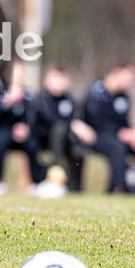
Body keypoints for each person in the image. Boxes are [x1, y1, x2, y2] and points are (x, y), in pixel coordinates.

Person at [83, 60, 135, 194]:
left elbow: (124, 123)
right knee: (116, 147)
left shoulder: (124, 96)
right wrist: (124, 134)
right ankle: (119, 187)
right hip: (96, 136)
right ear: (116, 73)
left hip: (119, 135)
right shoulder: (96, 91)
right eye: (130, 77)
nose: (133, 81)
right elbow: (98, 123)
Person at [29, 64, 96, 192]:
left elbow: (78, 119)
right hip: (42, 139)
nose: (59, 83)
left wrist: (81, 126)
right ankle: (55, 174)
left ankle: (75, 187)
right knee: (58, 129)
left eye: (62, 79)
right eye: (55, 79)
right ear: (46, 80)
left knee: (78, 151)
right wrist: (73, 123)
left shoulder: (72, 99)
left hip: (67, 140)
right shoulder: (40, 99)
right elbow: (48, 119)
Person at [0, 61, 45, 195]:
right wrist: (6, 103)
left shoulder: (28, 95)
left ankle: (35, 184)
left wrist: (26, 128)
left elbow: (34, 117)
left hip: (20, 136)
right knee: (2, 141)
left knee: (33, 144)